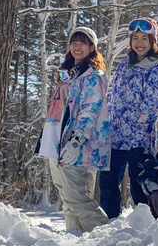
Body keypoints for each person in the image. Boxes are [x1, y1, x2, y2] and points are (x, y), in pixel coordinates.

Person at [38, 26, 110, 233]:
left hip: (78, 144)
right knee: (66, 197)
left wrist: (78, 140)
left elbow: (90, 109)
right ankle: (75, 236)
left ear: (92, 47)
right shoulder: (68, 75)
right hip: (56, 142)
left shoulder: (93, 76)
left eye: (83, 42)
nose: (77, 46)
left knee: (77, 198)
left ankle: (102, 238)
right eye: (74, 42)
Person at [98, 18, 158, 219]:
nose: (139, 43)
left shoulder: (154, 66)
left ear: (153, 41)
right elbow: (115, 96)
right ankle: (110, 221)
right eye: (135, 38)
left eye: (144, 38)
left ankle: (144, 224)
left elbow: (153, 102)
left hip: (139, 138)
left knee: (139, 184)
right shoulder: (124, 64)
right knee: (108, 181)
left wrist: (140, 127)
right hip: (116, 135)